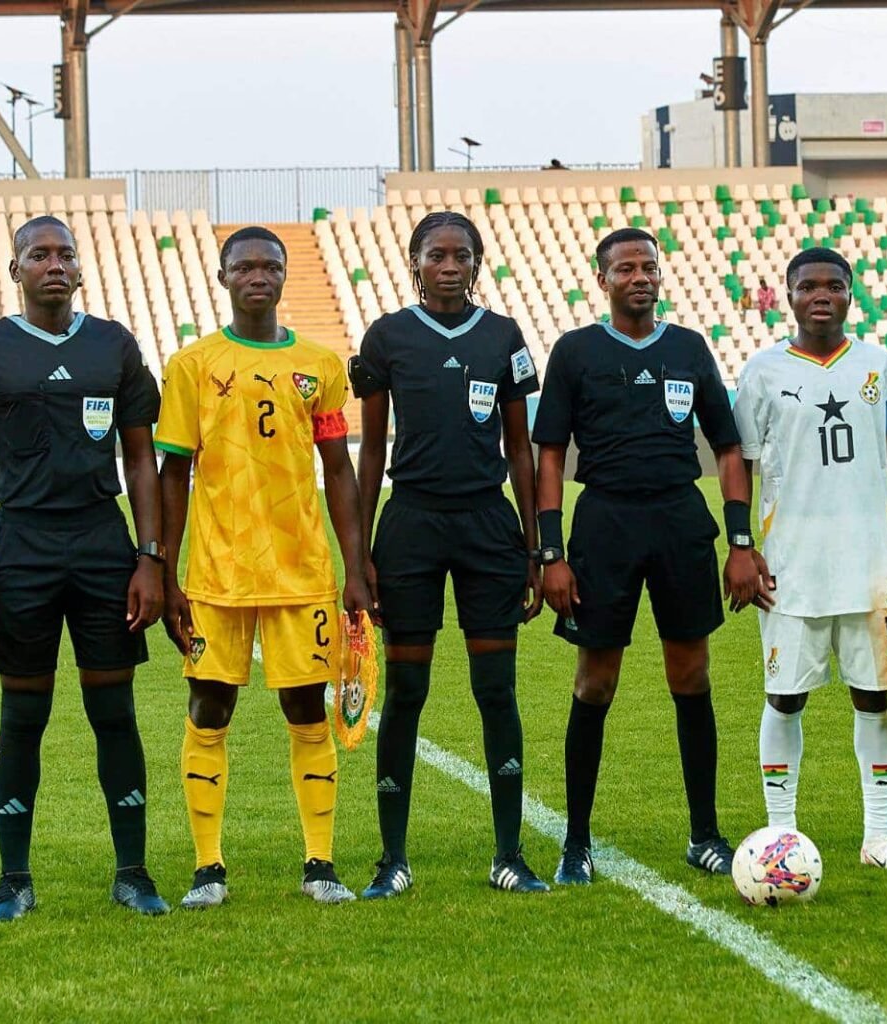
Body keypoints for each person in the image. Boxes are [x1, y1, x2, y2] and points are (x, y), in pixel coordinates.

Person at [0, 215, 168, 922]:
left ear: (79, 268)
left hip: (103, 545)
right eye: (38, 254)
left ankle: (132, 873)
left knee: (114, 710)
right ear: (15, 270)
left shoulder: (114, 346)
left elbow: (141, 458)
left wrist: (150, 558)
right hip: (23, 548)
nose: (53, 264)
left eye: (64, 253)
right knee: (24, 715)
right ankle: (14, 879)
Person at [533, 227, 768, 885]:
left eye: (649, 267)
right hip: (604, 522)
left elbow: (727, 447)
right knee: (595, 679)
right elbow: (549, 454)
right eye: (626, 268)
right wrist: (551, 552)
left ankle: (705, 834)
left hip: (679, 520)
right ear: (602, 279)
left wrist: (740, 541)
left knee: (691, 674)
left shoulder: (688, 348)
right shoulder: (575, 351)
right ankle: (576, 842)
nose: (639, 277)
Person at [156, 226, 367, 909]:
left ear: (282, 276)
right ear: (223, 278)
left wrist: (356, 565)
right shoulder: (192, 366)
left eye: (269, 266)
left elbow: (338, 469)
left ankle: (320, 863)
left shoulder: (320, 365)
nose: (257, 276)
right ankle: (207, 868)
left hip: (301, 572)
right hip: (217, 576)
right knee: (209, 709)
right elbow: (172, 473)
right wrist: (166, 572)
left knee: (306, 709)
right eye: (243, 267)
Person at [347, 211, 548, 898]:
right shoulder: (387, 337)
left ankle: (509, 855)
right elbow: (371, 451)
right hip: (411, 524)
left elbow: (519, 449)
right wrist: (360, 553)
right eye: (437, 255)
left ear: (478, 263)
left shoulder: (503, 336)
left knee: (497, 690)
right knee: (407, 691)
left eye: (462, 255)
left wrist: (534, 546)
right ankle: (392, 860)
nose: (450, 266)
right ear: (416, 263)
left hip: (488, 525)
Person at [730, 247, 887, 875]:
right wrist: (742, 544)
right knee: (784, 699)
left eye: (834, 285)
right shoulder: (762, 372)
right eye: (808, 286)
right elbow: (739, 462)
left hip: (869, 566)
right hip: (789, 570)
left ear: (851, 294)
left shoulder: (879, 365)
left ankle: (879, 837)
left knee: (874, 698)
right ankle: (780, 832)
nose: (821, 295)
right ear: (788, 296)